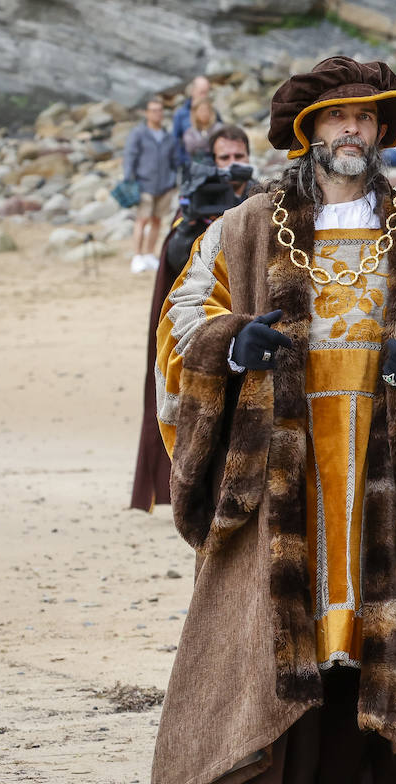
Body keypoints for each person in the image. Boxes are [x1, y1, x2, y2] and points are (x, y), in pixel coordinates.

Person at [148, 56, 396, 784]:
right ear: (310, 133)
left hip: (387, 468)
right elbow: (184, 314)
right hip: (277, 470)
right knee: (276, 640)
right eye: (336, 118)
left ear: (381, 133)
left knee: (364, 644)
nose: (352, 129)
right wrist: (231, 342)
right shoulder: (247, 225)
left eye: (367, 118)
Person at [131, 125, 258, 513]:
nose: (233, 165)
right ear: (213, 161)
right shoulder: (199, 198)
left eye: (239, 157)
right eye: (225, 158)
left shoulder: (267, 201)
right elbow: (175, 264)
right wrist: (193, 225)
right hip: (211, 328)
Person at [123, 97, 181, 274]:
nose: (157, 113)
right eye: (153, 110)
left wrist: (173, 180)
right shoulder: (138, 133)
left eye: (160, 110)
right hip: (143, 184)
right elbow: (130, 156)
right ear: (147, 113)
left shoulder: (168, 137)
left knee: (157, 220)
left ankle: (149, 254)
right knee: (141, 220)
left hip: (164, 185)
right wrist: (129, 179)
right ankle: (137, 255)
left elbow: (175, 160)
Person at [171, 75, 216, 169]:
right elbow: (175, 141)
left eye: (207, 92)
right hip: (190, 164)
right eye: (202, 92)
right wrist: (182, 162)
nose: (204, 96)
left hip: (212, 163)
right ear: (193, 91)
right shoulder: (181, 114)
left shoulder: (213, 112)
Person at [181, 98, 221, 165]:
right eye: (201, 110)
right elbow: (190, 148)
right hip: (199, 167)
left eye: (207, 110)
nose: (204, 113)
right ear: (195, 113)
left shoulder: (219, 128)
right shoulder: (190, 132)